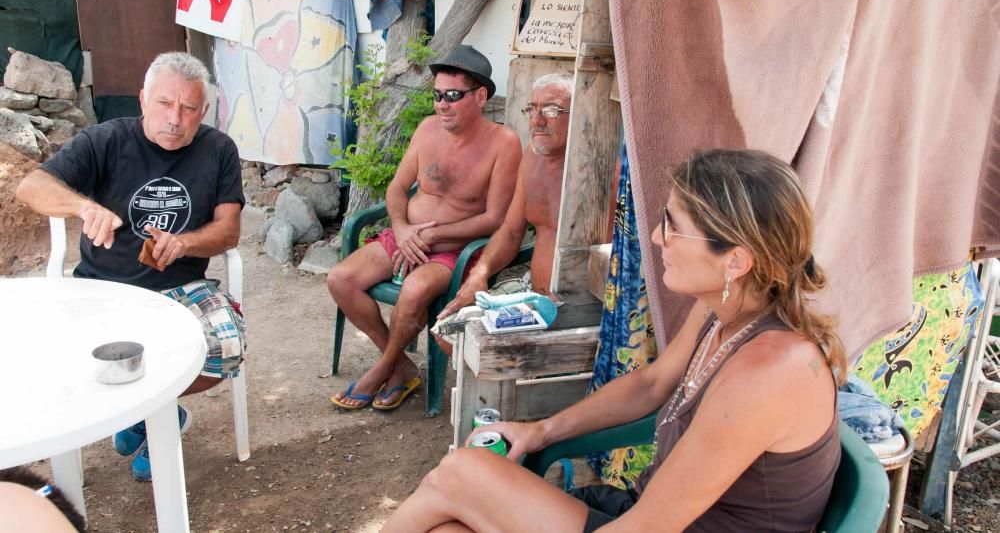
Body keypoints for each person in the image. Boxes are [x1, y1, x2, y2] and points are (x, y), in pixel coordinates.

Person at [383, 148, 848, 532]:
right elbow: (651, 385)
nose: (655, 236)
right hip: (649, 514)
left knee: (463, 474)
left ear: (736, 261)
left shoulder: (768, 372)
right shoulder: (727, 310)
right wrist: (539, 431)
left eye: (672, 224)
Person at [15, 52, 246, 481]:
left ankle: (149, 412)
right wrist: (84, 208)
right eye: (164, 103)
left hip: (183, 286)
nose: (175, 118)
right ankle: (154, 416)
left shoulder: (218, 149)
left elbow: (228, 231)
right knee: (56, 358)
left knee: (227, 349)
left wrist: (185, 243)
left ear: (204, 111)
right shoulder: (105, 141)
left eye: (188, 108)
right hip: (103, 287)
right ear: (142, 99)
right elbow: (32, 186)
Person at [327, 45, 522, 411]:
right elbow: (397, 189)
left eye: (452, 95)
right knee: (340, 279)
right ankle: (401, 365)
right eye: (437, 95)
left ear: (480, 96)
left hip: (455, 249)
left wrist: (429, 236)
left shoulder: (503, 143)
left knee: (414, 291)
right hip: (407, 237)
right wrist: (401, 229)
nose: (442, 104)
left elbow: (495, 219)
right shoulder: (427, 128)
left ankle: (383, 367)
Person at [434, 71, 573, 338]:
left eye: (552, 110)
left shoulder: (602, 171)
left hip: (575, 307)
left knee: (482, 347)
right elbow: (510, 230)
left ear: (580, 114)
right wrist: (479, 273)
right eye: (532, 109)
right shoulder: (533, 156)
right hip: (534, 293)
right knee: (448, 332)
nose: (537, 121)